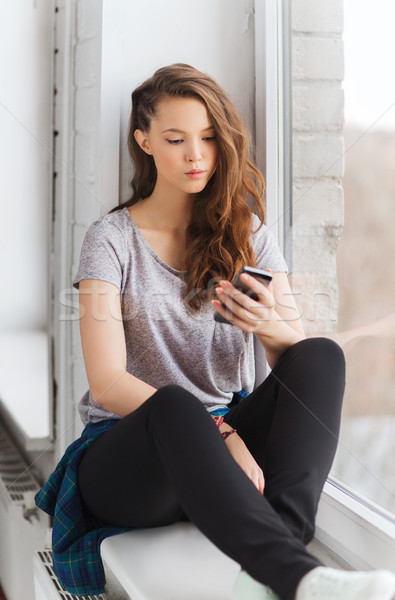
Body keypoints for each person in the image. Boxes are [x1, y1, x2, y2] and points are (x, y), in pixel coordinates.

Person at [35, 63, 395, 600]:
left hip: (224, 455)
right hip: (133, 457)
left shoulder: (246, 233)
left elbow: (294, 362)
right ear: (145, 141)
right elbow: (108, 382)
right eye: (176, 139)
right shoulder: (110, 239)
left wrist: (266, 326)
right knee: (176, 404)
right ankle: (296, 577)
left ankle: (274, 560)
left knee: (321, 356)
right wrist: (222, 436)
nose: (196, 155)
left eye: (207, 138)